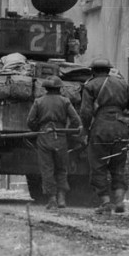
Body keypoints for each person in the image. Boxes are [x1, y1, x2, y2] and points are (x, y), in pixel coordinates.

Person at [80, 57, 129, 215]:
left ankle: (106, 202)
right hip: (120, 128)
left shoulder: (90, 85)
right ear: (108, 70)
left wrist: (85, 129)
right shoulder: (122, 84)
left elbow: (85, 112)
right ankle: (119, 200)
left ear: (93, 71)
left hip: (101, 128)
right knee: (119, 165)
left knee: (98, 165)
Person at [27, 76, 82, 210]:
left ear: (45, 88)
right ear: (59, 88)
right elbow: (76, 120)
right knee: (62, 168)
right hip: (61, 137)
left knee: (47, 169)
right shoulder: (65, 101)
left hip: (44, 136)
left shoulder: (38, 101)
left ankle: (51, 199)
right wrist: (67, 132)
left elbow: (30, 121)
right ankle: (61, 198)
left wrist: (38, 130)